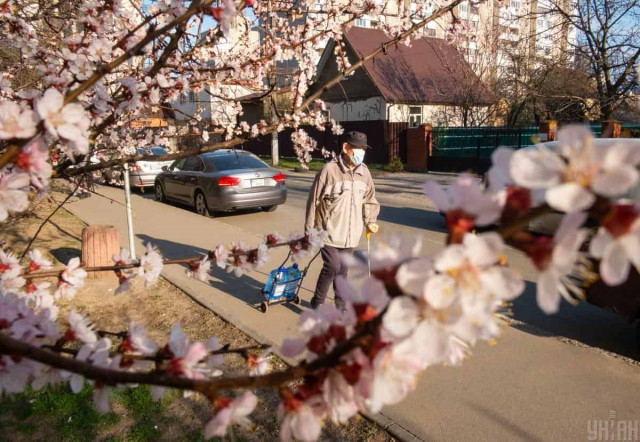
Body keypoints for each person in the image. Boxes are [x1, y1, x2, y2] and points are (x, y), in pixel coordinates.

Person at [304, 131, 380, 310]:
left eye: (363, 150)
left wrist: (370, 220)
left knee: (343, 271)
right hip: (328, 232)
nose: (361, 153)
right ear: (346, 148)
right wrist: (309, 231)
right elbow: (314, 201)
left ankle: (341, 306)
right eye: (357, 149)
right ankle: (318, 303)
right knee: (332, 266)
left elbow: (370, 199)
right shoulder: (329, 170)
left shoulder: (364, 173)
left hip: (351, 234)